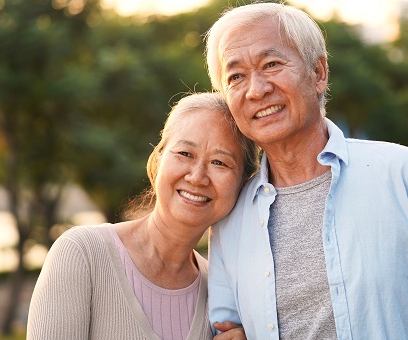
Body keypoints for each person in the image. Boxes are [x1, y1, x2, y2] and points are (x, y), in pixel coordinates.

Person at [204, 2, 408, 339]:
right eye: (235, 76)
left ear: (319, 73)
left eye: (272, 64)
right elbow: (226, 327)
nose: (257, 89)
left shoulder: (403, 174)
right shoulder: (229, 218)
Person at [26, 92, 258, 340]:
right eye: (185, 154)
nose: (197, 177)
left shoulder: (222, 298)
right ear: (158, 160)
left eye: (220, 163)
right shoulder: (82, 254)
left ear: (242, 186)